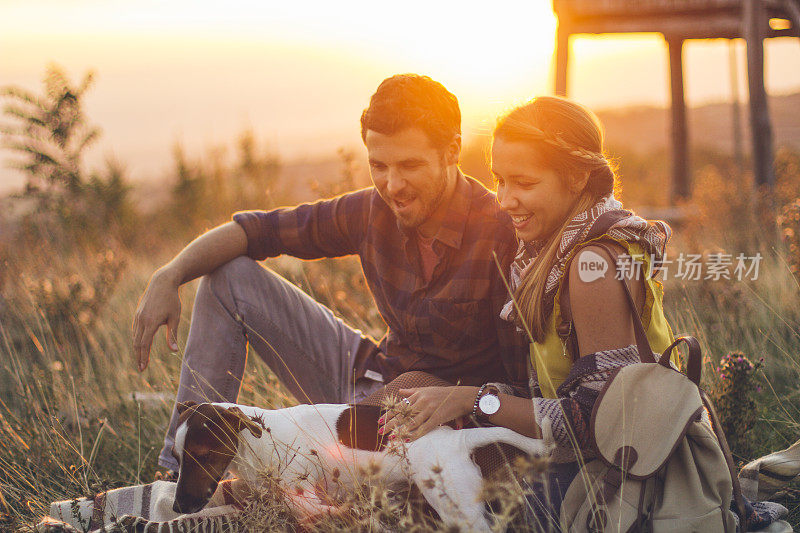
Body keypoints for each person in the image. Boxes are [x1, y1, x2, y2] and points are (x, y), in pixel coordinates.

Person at [132, 73, 528, 474]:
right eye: (379, 165)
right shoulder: (371, 210)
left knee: (316, 474)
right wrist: (169, 275)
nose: (393, 185)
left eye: (410, 165)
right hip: (367, 372)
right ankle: (177, 473)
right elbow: (258, 230)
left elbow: (524, 384)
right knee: (228, 278)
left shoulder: (501, 234)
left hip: (429, 420)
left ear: (452, 151)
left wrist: (465, 399)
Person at [379, 95, 676, 522]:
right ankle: (323, 481)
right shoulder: (557, 248)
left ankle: (311, 486)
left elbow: (600, 425)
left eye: (524, 183)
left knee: (420, 474)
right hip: (576, 459)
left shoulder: (591, 267)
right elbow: (561, 393)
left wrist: (477, 400)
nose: (504, 200)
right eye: (499, 180)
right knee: (411, 391)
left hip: (608, 482)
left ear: (575, 178)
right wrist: (471, 398)